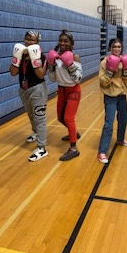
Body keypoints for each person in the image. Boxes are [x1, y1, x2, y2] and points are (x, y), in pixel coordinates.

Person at [9, 31, 48, 161]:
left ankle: (42, 148)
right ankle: (36, 133)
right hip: (23, 89)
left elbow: (41, 75)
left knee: (39, 118)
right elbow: (13, 73)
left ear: (37, 42)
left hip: (37, 89)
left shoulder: (42, 56)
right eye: (27, 39)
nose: (29, 42)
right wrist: (16, 59)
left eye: (33, 40)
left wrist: (34, 59)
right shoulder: (19, 54)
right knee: (30, 114)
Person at [47, 29, 82, 161]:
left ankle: (74, 149)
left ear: (71, 44)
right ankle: (74, 133)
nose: (62, 43)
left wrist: (70, 65)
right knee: (60, 118)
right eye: (60, 40)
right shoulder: (55, 57)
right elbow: (52, 79)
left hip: (73, 90)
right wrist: (50, 65)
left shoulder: (75, 57)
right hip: (61, 90)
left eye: (65, 41)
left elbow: (78, 79)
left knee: (68, 118)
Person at [97, 38, 127, 164]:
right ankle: (102, 151)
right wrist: (110, 71)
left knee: (123, 120)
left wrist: (125, 70)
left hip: (122, 95)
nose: (116, 49)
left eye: (118, 47)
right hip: (110, 96)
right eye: (114, 47)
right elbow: (102, 81)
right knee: (109, 123)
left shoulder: (125, 60)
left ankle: (120, 139)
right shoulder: (105, 62)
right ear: (110, 48)